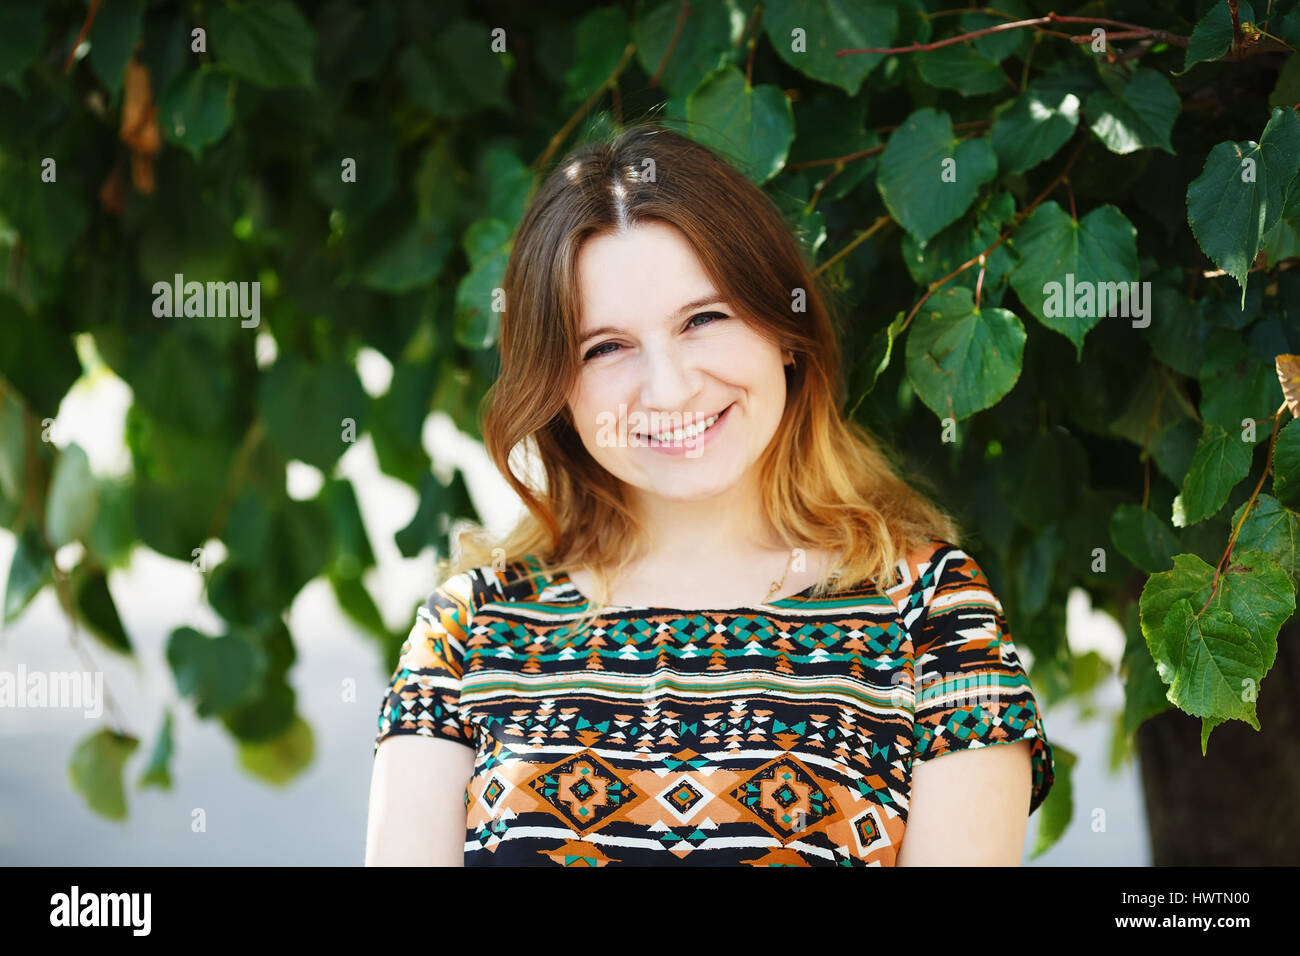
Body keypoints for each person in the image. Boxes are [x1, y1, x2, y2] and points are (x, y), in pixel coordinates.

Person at [365, 121, 1055, 866]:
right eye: (607, 347)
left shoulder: (929, 616)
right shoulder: (469, 632)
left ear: (784, 331)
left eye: (703, 319)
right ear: (556, 387)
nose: (669, 387)